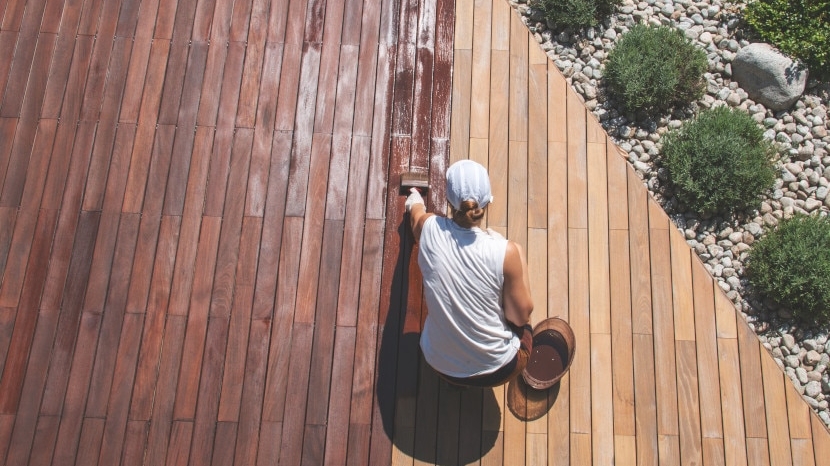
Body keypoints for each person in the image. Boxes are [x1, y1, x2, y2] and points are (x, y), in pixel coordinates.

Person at [405, 160, 534, 387]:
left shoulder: (429, 229)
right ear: (487, 203)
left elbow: (416, 214)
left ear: (449, 201)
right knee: (524, 316)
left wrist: (414, 196)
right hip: (500, 369)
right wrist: (518, 255)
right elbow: (520, 317)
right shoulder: (505, 251)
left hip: (440, 364)